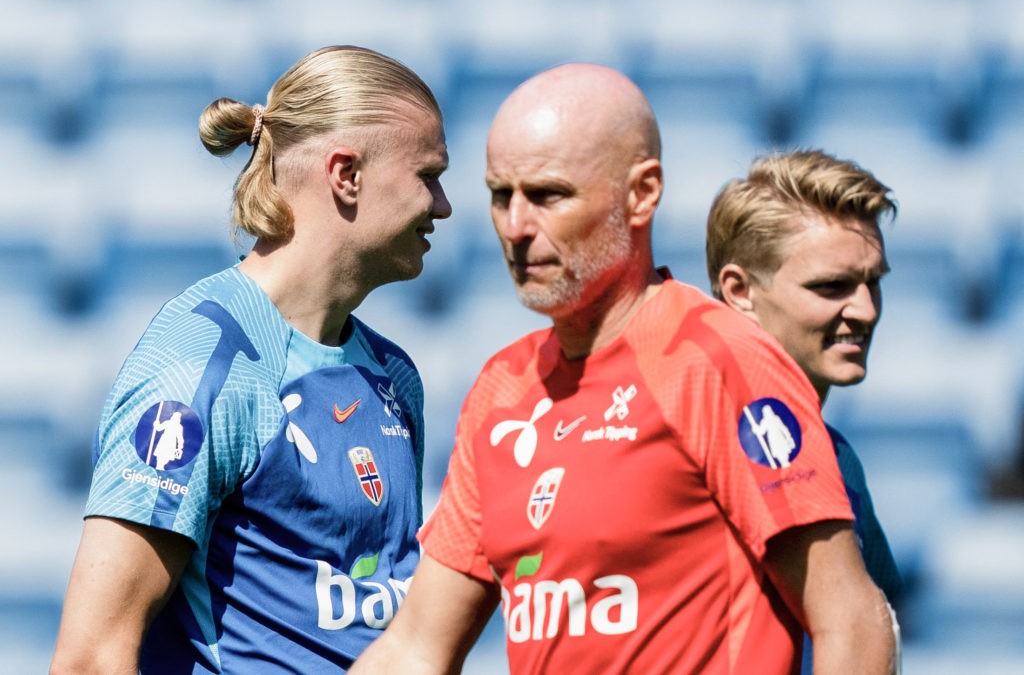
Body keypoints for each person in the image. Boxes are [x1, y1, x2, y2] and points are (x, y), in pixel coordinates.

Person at [352, 64, 896, 674]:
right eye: (502, 195)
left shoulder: (719, 359)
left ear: (642, 194)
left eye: (549, 195)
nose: (516, 227)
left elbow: (852, 622)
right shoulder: (502, 390)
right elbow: (418, 647)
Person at [50, 44, 451, 674]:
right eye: (428, 175)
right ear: (346, 174)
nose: (443, 205)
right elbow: (92, 655)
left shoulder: (394, 377)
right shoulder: (202, 364)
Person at [706, 149, 903, 609]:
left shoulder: (839, 459)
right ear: (741, 291)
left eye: (872, 283)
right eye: (831, 287)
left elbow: (876, 627)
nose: (866, 311)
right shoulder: (681, 449)